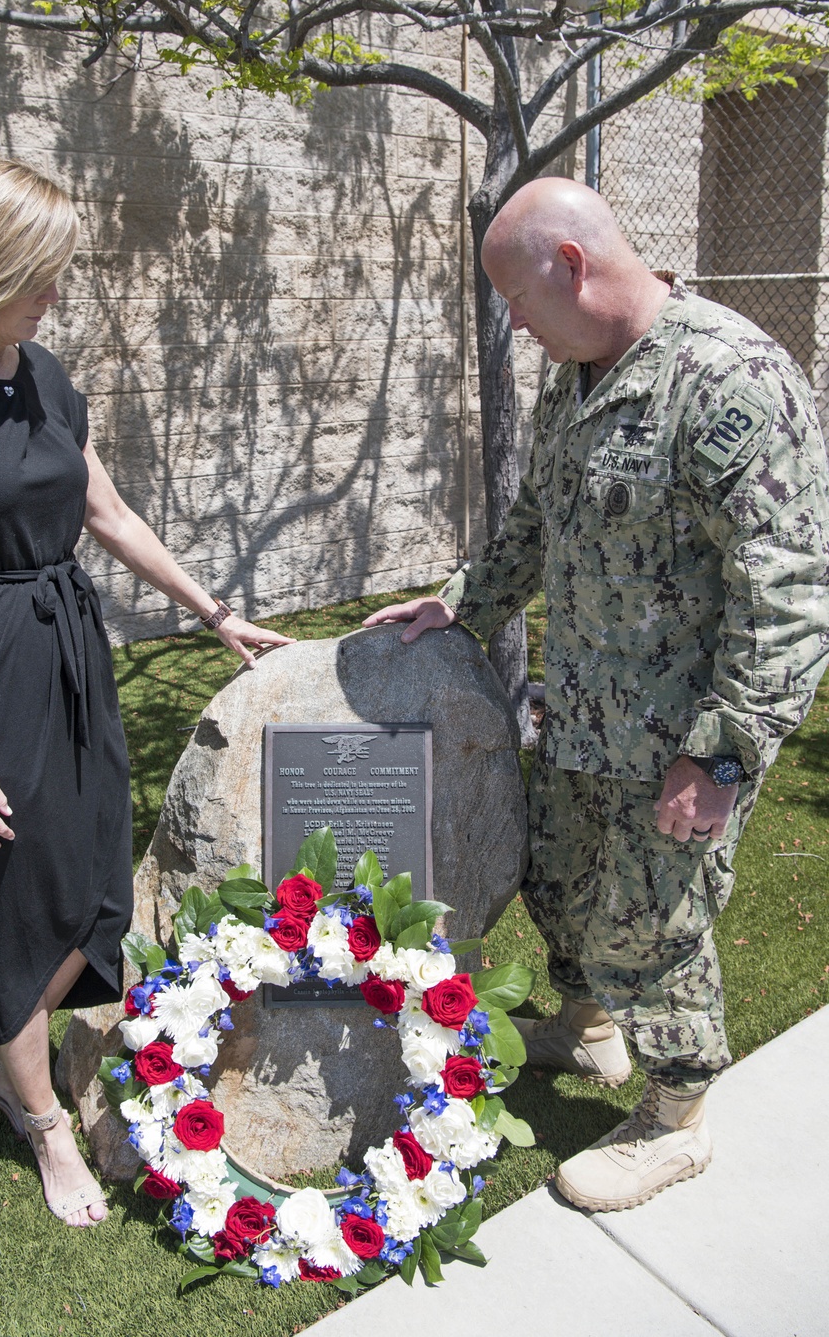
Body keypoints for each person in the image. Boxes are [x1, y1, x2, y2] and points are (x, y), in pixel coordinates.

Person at [0, 157, 294, 1228]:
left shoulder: (41, 372)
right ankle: (41, 1116)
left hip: (66, 650)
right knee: (12, 895)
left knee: (89, 882)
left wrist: (212, 610)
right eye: (43, 272)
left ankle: (1, 1055)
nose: (58, 292)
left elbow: (109, 512)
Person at [364, 177, 829, 1211]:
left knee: (650, 923)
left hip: (679, 738)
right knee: (561, 885)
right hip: (578, 715)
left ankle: (676, 1119)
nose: (515, 326)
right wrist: (461, 602)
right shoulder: (575, 375)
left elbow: (790, 597)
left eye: (517, 301)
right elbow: (539, 517)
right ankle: (587, 1034)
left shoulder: (730, 379)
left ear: (571, 264)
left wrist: (719, 757)